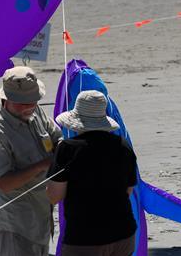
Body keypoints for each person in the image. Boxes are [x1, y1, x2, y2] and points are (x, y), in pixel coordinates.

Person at [0, 66, 62, 256]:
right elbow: (4, 183)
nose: (28, 107)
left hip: (41, 219)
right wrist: (42, 164)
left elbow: (57, 138)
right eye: (21, 103)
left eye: (32, 101)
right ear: (5, 99)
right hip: (16, 226)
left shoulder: (35, 111)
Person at [46, 90, 137, 256]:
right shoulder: (122, 145)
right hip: (123, 232)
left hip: (85, 238)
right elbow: (128, 190)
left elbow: (54, 196)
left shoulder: (67, 148)